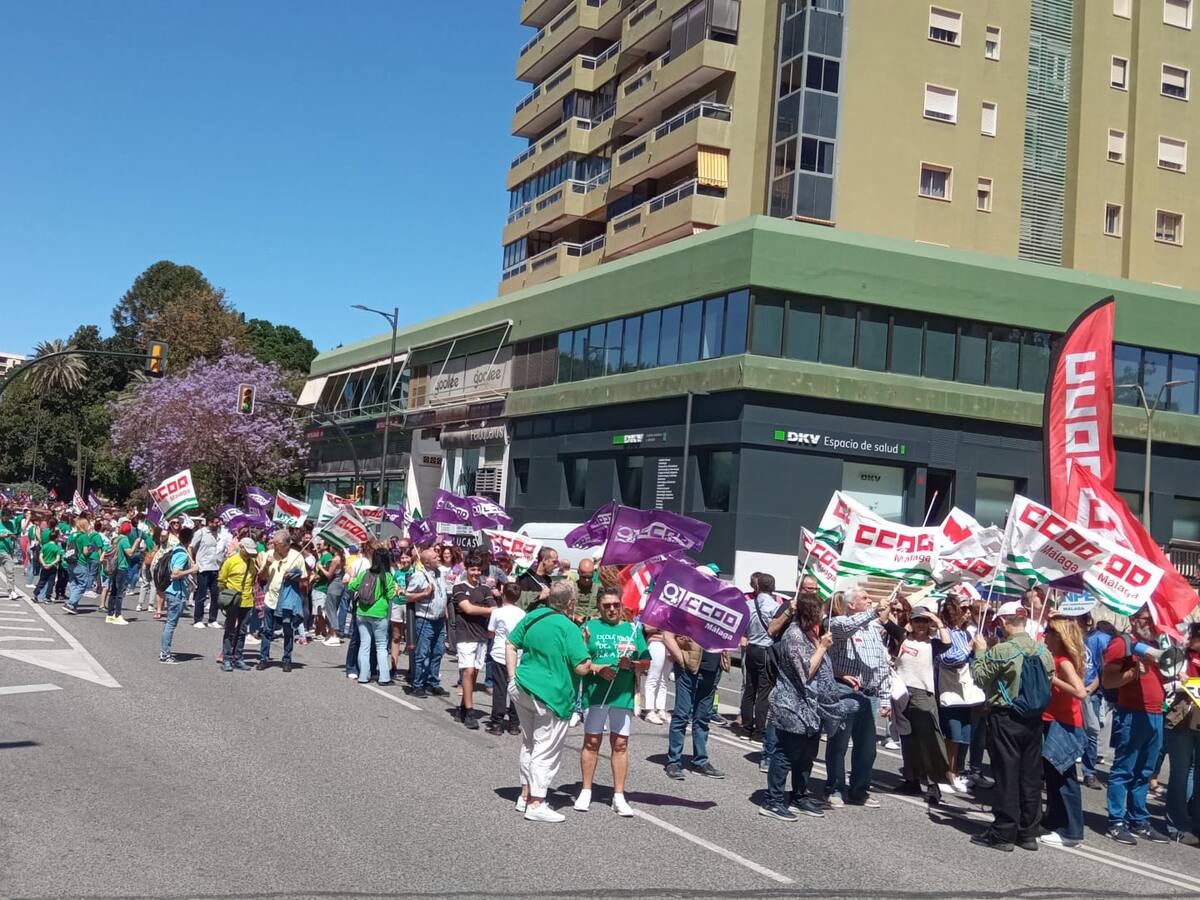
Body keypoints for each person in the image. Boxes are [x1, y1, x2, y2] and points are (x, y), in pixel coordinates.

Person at [968, 600, 1055, 852]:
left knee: (1006, 774)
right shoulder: (1042, 650)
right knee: (1030, 775)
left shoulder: (1002, 650)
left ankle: (1003, 832)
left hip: (1005, 716)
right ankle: (1028, 831)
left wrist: (980, 651)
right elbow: (1049, 677)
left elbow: (980, 677)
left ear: (1004, 621)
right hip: (1033, 718)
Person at [506, 580, 594, 823]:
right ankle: (536, 802)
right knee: (545, 749)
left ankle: (525, 795)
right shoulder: (569, 628)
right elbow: (582, 667)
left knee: (530, 744)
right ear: (570, 603)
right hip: (551, 696)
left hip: (523, 686)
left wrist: (512, 677)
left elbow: (511, 643)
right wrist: (585, 645)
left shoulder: (533, 616)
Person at [760, 593, 849, 821]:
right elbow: (805, 672)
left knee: (807, 754)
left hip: (811, 706)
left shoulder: (811, 634)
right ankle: (773, 800)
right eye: (819, 610)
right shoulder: (794, 636)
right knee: (787, 753)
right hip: (791, 704)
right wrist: (822, 648)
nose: (822, 614)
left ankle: (799, 795)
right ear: (810, 612)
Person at [574, 587, 650, 816]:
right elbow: (578, 660)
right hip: (596, 694)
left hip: (622, 696)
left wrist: (633, 665)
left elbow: (646, 661)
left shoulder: (632, 628)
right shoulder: (589, 627)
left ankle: (619, 795)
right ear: (599, 607)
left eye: (616, 605)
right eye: (607, 605)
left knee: (620, 744)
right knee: (592, 742)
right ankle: (586, 790)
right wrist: (598, 668)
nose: (612, 609)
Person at [1102, 605, 1171, 845]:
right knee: (1124, 769)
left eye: (1154, 619)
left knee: (1145, 771)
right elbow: (1108, 680)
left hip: (1155, 714)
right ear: (1133, 619)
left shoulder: (1155, 645)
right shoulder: (1122, 643)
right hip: (1132, 713)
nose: (1152, 623)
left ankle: (1138, 820)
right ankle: (1116, 822)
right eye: (1147, 618)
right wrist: (1133, 675)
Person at [823, 583, 891, 808]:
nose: (870, 600)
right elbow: (847, 627)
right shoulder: (837, 622)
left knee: (867, 747)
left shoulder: (872, 628)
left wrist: (885, 696)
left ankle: (859, 790)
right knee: (839, 743)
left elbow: (880, 664)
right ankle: (835, 788)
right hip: (844, 690)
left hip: (867, 695)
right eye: (865, 597)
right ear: (851, 604)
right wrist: (874, 612)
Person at [890, 605, 953, 805]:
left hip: (923, 694)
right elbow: (886, 622)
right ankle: (912, 779)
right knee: (907, 738)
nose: (921, 625)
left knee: (929, 740)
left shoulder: (932, 644)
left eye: (924, 621)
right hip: (901, 691)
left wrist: (938, 621)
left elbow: (947, 643)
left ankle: (934, 785)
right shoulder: (903, 637)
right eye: (917, 620)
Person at [1039, 615, 1088, 847]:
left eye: (1049, 631)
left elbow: (1080, 692)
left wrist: (1054, 680)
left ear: (1058, 635)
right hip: (1053, 720)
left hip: (1064, 723)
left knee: (1065, 778)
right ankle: (1054, 821)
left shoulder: (1063, 661)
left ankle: (1072, 831)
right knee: (1053, 776)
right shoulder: (1056, 658)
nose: (1045, 634)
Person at [935, 594, 986, 791]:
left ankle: (956, 772)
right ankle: (947, 774)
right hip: (950, 690)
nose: (967, 613)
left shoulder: (965, 633)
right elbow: (948, 658)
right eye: (963, 609)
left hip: (966, 691)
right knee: (952, 736)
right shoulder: (944, 633)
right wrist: (969, 648)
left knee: (964, 735)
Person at [662, 630, 727, 781]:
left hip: (713, 667)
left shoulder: (723, 609)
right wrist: (681, 659)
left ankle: (701, 761)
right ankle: (674, 762)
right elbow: (668, 634)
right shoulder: (690, 608)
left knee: (703, 717)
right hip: (688, 666)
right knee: (682, 714)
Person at [1165, 622, 1200, 846]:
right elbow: (1166, 682)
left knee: (1197, 775)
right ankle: (1177, 824)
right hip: (1183, 717)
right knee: (1179, 773)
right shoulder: (1178, 654)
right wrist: (1181, 682)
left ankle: (1196, 824)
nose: (1192, 637)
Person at [452, 552, 496, 729]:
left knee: (475, 672)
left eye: (479, 570)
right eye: (473, 569)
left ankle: (462, 707)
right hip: (465, 635)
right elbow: (467, 609)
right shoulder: (459, 588)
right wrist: (485, 609)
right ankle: (470, 712)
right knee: (468, 672)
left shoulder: (485, 589)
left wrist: (483, 608)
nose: (476, 573)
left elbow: (495, 608)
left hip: (481, 636)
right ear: (467, 569)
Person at [738, 573, 782, 743]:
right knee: (764, 692)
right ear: (772, 587)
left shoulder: (748, 604)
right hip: (765, 649)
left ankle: (746, 728)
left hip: (751, 647)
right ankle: (759, 731)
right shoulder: (774, 606)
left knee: (750, 689)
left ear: (757, 587)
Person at [258, 530, 307, 673]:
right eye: (273, 543)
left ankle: (287, 659)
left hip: (287, 600)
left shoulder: (296, 557)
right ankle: (263, 658)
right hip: (271, 599)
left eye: (277, 544)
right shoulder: (269, 554)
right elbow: (262, 576)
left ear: (286, 544)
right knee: (267, 630)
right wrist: (266, 565)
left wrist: (292, 575)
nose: (274, 546)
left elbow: (303, 579)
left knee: (287, 629)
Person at [346, 546, 395, 686]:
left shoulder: (364, 573)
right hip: (379, 614)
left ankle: (363, 675)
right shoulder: (387, 576)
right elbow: (391, 595)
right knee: (381, 646)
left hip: (362, 612)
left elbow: (352, 586)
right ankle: (384, 677)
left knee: (364, 644)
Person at [406, 548, 449, 698]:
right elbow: (407, 596)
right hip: (425, 620)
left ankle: (433, 682)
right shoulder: (419, 576)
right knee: (422, 653)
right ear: (427, 562)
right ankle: (417, 684)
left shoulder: (440, 573)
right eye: (436, 556)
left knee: (438, 652)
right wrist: (424, 593)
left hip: (439, 619)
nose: (439, 557)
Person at [486, 582, 526, 736]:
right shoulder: (522, 614)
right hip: (517, 655)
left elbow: (491, 631)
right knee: (515, 688)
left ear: (503, 595)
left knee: (500, 689)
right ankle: (514, 723)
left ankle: (497, 722)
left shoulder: (498, 612)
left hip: (500, 654)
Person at [1082, 618, 1116, 789]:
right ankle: (1086, 772)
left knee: (1090, 731)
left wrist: (1089, 689)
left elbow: (1102, 668)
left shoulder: (1098, 638)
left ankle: (1088, 772)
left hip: (1088, 690)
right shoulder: (1067, 635)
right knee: (1085, 732)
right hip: (1078, 689)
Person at [218, 537, 258, 672]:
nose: (249, 554)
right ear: (241, 547)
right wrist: (226, 597)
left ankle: (238, 658)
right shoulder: (231, 561)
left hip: (247, 601)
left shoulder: (253, 563)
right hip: (233, 600)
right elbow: (221, 581)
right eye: (247, 551)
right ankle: (227, 658)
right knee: (230, 630)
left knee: (242, 631)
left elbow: (255, 579)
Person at [160, 528, 198, 663]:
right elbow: (175, 574)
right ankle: (165, 654)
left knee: (169, 623)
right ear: (190, 539)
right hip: (176, 592)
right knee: (171, 624)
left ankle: (165, 652)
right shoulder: (181, 553)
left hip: (173, 591)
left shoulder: (178, 549)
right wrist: (191, 570)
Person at [190, 515, 225, 629]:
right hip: (203, 567)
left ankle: (212, 619)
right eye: (215, 523)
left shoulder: (219, 535)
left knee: (215, 595)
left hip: (215, 567)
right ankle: (198, 619)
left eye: (218, 523)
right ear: (209, 523)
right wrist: (193, 562)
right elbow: (191, 547)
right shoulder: (201, 533)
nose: (217, 525)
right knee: (201, 594)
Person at [64, 516, 103, 614]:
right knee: (82, 584)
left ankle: (73, 606)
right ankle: (70, 603)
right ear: (84, 525)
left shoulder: (72, 535)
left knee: (73, 583)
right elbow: (85, 552)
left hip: (71, 561)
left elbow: (67, 548)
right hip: (80, 562)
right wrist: (91, 549)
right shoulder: (84, 536)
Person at [107, 521, 143, 625]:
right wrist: (136, 543)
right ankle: (118, 615)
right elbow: (130, 553)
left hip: (114, 566)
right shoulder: (124, 539)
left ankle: (110, 614)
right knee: (120, 592)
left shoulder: (116, 538)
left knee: (113, 590)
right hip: (121, 567)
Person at [389, 546, 415, 675]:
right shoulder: (398, 572)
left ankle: (412, 667)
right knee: (396, 636)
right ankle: (393, 666)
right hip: (397, 603)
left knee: (410, 637)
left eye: (406, 557)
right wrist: (396, 590)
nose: (404, 559)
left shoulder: (415, 571)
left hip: (409, 605)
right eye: (402, 557)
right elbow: (394, 586)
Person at [642, 624, 671, 726]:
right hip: (657, 643)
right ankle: (649, 711)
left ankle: (661, 709)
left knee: (664, 679)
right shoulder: (656, 609)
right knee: (653, 677)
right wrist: (666, 627)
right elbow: (647, 628)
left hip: (671, 644)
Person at [33, 531, 63, 604]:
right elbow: (57, 559)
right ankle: (47, 597)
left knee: (42, 580)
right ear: (56, 539)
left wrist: (44, 564)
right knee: (50, 582)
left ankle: (36, 594)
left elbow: (40, 556)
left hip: (44, 565)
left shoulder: (45, 546)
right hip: (53, 567)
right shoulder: (57, 547)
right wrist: (51, 564)